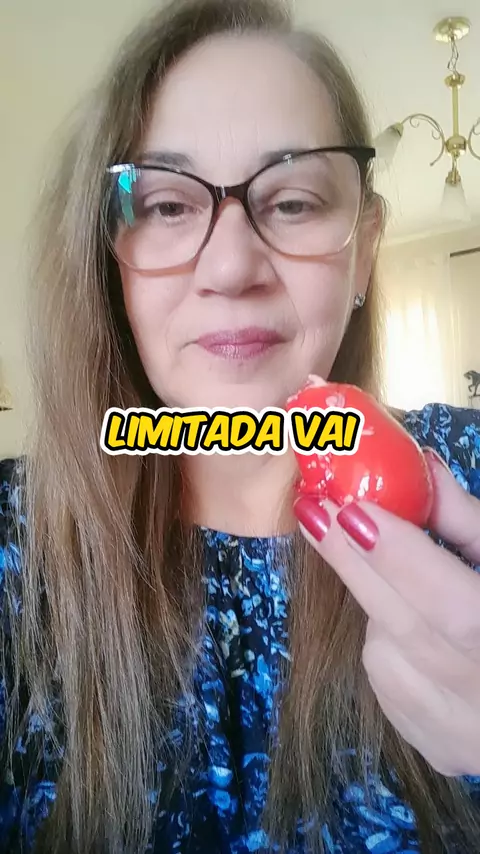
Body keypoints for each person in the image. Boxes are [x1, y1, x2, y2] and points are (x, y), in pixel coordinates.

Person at [1, 0, 480, 851]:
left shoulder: (465, 475)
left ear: (365, 247)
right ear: (109, 257)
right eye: (167, 206)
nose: (229, 266)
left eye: (293, 201)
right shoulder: (17, 544)